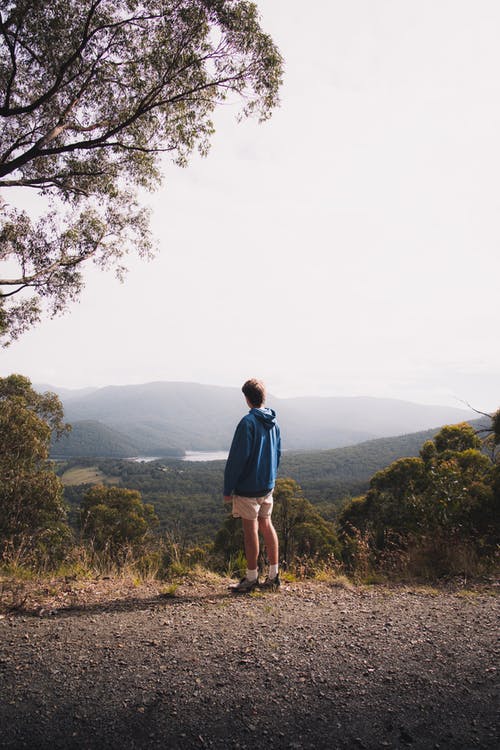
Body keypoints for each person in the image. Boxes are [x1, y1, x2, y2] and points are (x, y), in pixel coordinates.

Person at [223, 378, 281, 593]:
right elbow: (277, 453)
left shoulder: (247, 422)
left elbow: (237, 459)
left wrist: (228, 488)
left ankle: (251, 578)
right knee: (267, 525)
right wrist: (271, 479)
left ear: (247, 398)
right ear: (263, 397)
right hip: (267, 485)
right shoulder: (274, 422)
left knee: (251, 531)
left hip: (248, 488)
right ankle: (274, 576)